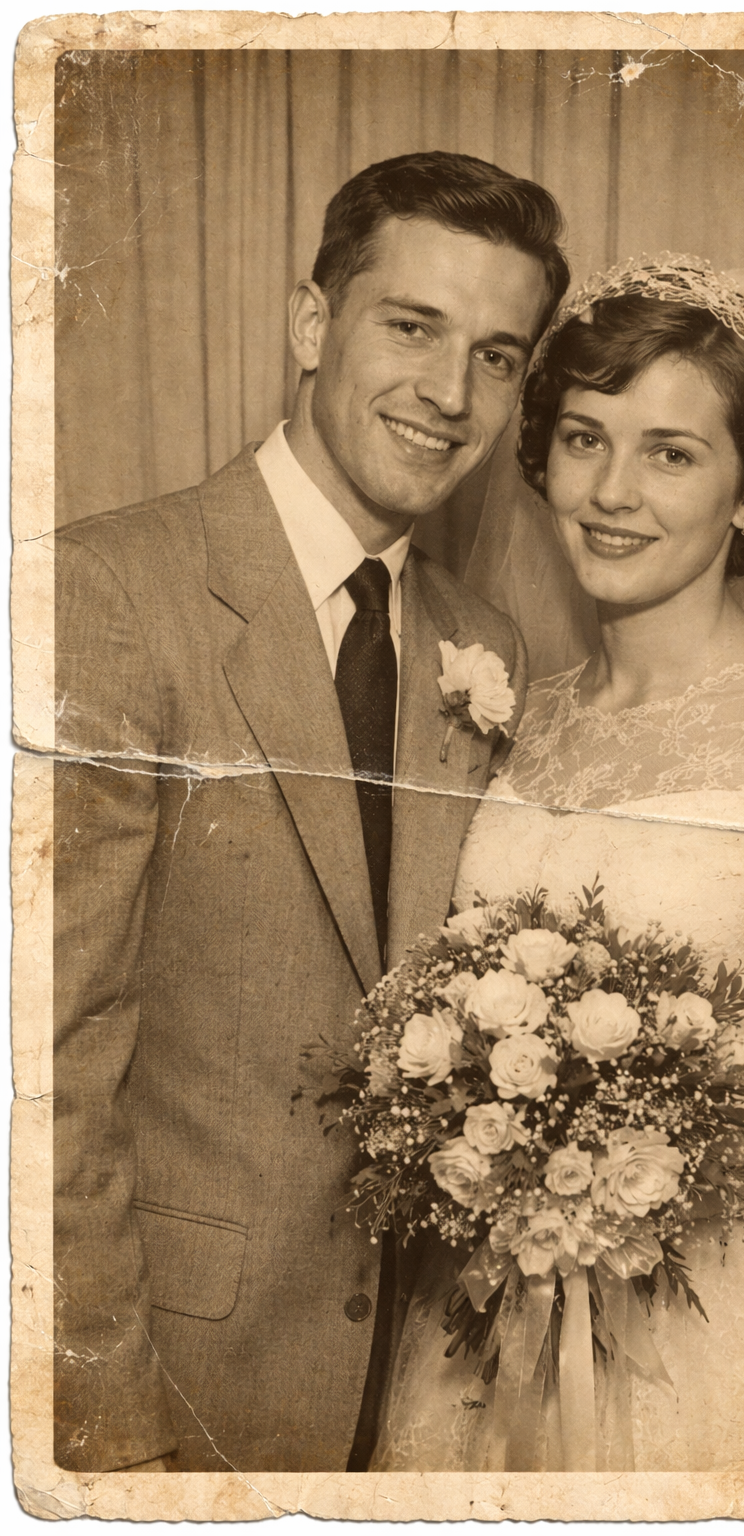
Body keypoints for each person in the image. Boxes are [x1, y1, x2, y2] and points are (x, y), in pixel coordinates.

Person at [371, 257, 744, 1472]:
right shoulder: (509, 718)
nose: (610, 493)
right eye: (584, 439)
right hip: (496, 1311)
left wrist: (689, 1166)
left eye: (670, 453)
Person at [51, 150, 568, 1473]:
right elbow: (43, 1071)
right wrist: (107, 1447)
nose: (450, 396)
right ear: (308, 324)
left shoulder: (482, 641)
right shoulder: (105, 594)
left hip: (418, 1395)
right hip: (171, 1394)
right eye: (412, 327)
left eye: (499, 356)